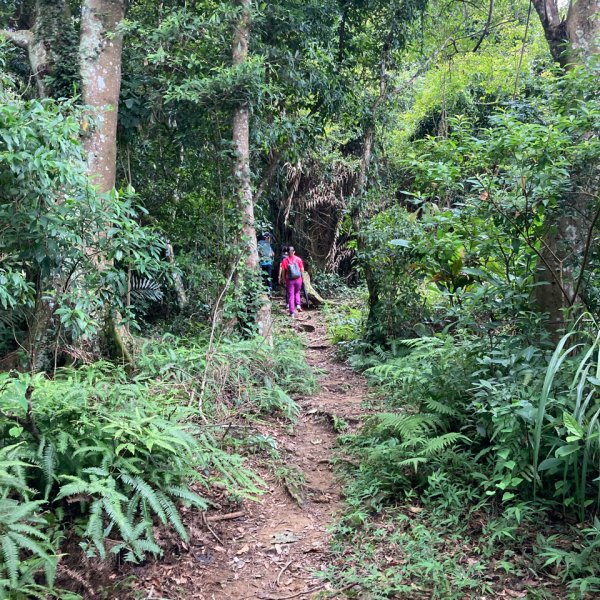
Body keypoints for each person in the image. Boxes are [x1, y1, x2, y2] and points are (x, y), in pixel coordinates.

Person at [279, 246, 304, 318]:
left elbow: (283, 271)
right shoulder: (298, 259)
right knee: (297, 292)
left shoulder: (285, 260)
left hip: (289, 280)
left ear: (287, 253)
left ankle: (292, 312)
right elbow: (302, 270)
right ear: (294, 252)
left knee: (291, 295)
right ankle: (298, 305)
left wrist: (283, 278)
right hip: (298, 279)